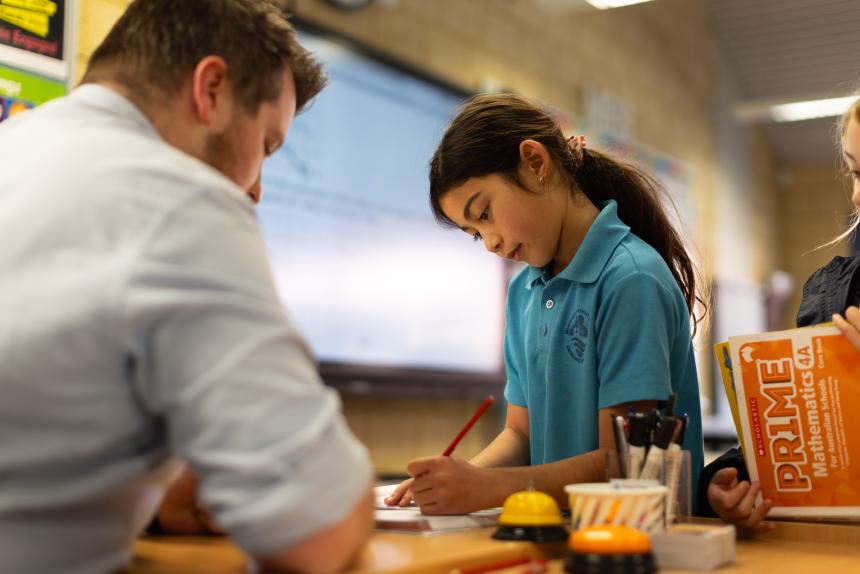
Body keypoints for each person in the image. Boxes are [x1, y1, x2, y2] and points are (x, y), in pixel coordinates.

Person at [0, 1, 374, 572]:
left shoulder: (17, 145)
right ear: (212, 88)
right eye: (267, 147)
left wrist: (150, 489)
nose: (255, 190)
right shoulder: (180, 199)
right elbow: (318, 529)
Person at [385, 93, 705, 514]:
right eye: (476, 234)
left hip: (640, 544)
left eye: (484, 213)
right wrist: (458, 482)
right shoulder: (523, 293)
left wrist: (486, 489)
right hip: (559, 537)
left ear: (535, 163)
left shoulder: (632, 279)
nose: (492, 243)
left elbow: (627, 465)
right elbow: (521, 436)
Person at [700, 95, 860, 532]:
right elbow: (784, 443)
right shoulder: (831, 292)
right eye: (854, 170)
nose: (857, 195)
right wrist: (723, 486)